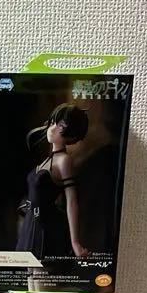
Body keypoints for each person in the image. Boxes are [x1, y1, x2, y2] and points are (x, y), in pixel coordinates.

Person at [16, 104, 90, 259]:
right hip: (31, 223)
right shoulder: (48, 160)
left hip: (45, 226)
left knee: (40, 271)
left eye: (60, 125)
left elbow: (72, 202)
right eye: (52, 122)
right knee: (30, 271)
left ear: (71, 133)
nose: (52, 128)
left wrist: (75, 242)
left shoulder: (64, 160)